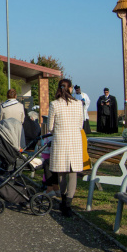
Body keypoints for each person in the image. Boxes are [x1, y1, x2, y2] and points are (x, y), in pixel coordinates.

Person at [47, 79, 84, 218]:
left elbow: (50, 126)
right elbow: (80, 124)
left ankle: (63, 200)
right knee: (72, 172)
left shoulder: (54, 104)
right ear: (70, 89)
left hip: (60, 140)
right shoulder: (78, 104)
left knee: (61, 171)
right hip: (74, 140)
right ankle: (68, 203)